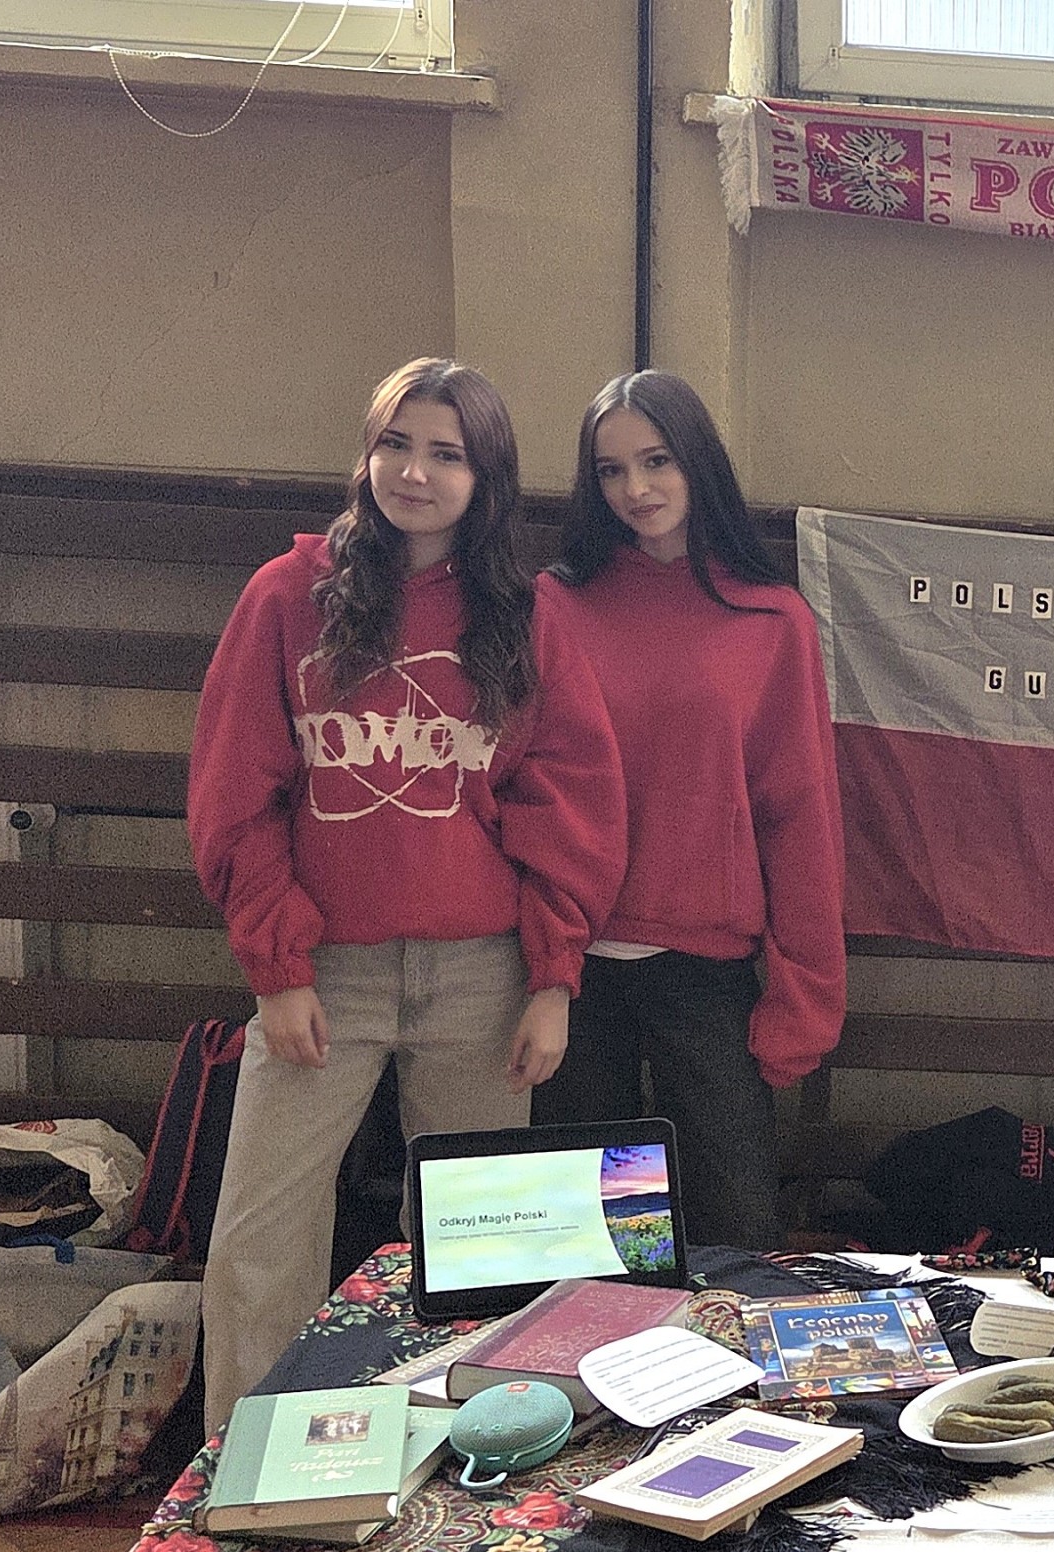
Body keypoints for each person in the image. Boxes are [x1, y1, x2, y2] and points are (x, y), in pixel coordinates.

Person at [190, 358, 626, 1422]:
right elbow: (237, 797)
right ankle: (246, 1477)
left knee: (484, 1252)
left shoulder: (527, 617)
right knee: (259, 1238)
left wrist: (553, 978)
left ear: (487, 478)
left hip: (483, 976)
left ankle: (470, 1460)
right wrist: (277, 970)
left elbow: (568, 806)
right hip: (323, 975)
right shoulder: (285, 598)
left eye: (446, 454)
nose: (415, 473)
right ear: (367, 453)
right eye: (396, 444)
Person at [531, 370, 847, 1251]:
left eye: (657, 460)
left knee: (732, 1239)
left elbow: (800, 817)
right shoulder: (556, 604)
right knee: (594, 1248)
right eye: (610, 469)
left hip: (706, 973)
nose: (634, 488)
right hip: (570, 972)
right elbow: (529, 794)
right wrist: (541, 962)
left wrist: (805, 996)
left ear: (698, 462)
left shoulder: (772, 620)